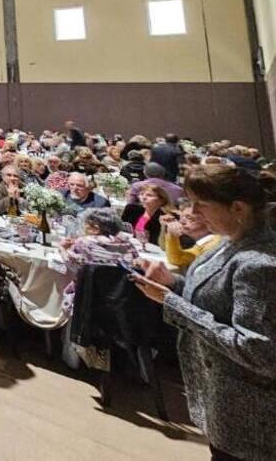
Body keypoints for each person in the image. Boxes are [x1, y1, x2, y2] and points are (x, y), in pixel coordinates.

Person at [133, 165, 276, 460]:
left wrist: (172, 302)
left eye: (202, 204)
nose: (194, 211)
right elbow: (218, 301)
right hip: (221, 400)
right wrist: (173, 283)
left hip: (248, 416)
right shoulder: (228, 242)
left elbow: (257, 351)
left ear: (237, 207)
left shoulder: (258, 263)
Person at [158, 202, 221, 269]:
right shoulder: (206, 242)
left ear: (209, 223)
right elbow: (175, 256)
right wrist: (170, 232)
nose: (181, 222)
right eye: (181, 217)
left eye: (189, 218)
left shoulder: (213, 244)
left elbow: (177, 259)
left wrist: (172, 236)